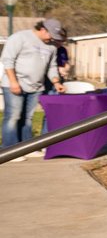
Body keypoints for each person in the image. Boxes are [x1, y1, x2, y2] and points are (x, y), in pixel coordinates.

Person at [2, 18, 67, 148]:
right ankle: (9, 149)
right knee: (13, 117)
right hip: (15, 84)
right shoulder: (20, 37)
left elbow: (52, 67)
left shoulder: (51, 47)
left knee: (28, 118)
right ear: (43, 29)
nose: (52, 39)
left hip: (36, 87)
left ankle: (26, 147)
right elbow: (8, 61)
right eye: (51, 35)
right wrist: (13, 82)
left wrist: (56, 82)